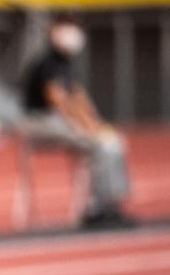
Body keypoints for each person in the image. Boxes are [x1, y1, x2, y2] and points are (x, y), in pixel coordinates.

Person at [21, 14, 134, 228]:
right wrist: (88, 128)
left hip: (56, 121)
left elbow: (78, 96)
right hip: (40, 122)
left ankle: (112, 204)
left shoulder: (65, 63)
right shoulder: (48, 62)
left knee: (112, 141)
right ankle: (97, 208)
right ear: (54, 30)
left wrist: (97, 123)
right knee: (99, 145)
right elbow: (58, 100)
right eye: (68, 27)